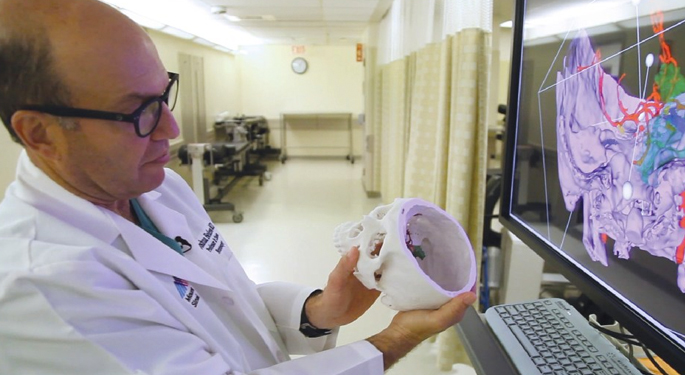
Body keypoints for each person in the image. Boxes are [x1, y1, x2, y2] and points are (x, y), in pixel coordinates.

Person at [0, 0, 476, 373]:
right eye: (137, 112)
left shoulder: (156, 187)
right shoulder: (44, 287)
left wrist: (316, 310)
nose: (171, 129)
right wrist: (396, 338)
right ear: (41, 133)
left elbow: (223, 298)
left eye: (163, 94)